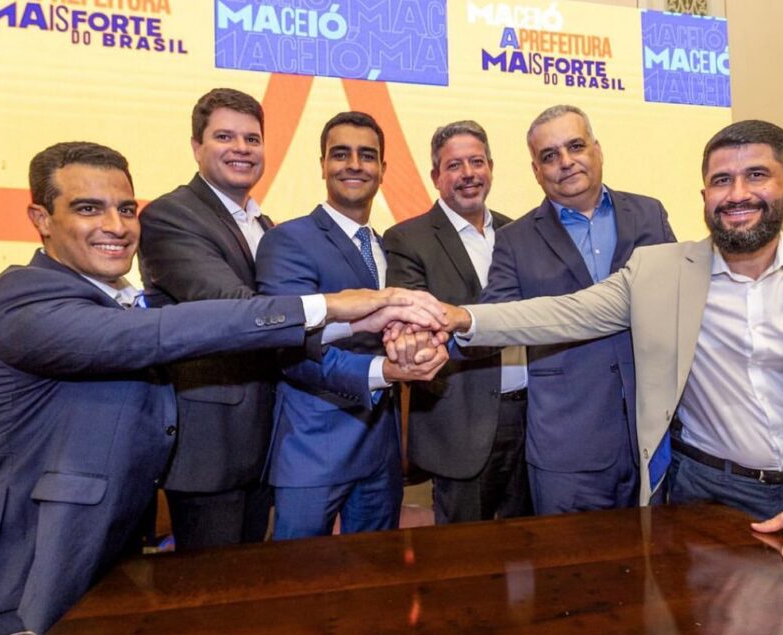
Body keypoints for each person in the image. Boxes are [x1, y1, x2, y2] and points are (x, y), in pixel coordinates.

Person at [0, 141, 446, 635]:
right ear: (41, 218)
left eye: (126, 209)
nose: (116, 226)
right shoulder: (23, 297)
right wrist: (326, 305)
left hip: (113, 559)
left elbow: (206, 338)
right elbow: (165, 333)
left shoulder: (120, 302)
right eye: (88, 208)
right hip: (34, 570)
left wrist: (363, 323)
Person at [398, 120, 783, 569]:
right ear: (704, 194)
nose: (738, 194)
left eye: (757, 176)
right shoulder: (662, 271)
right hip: (700, 489)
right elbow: (564, 312)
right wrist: (458, 316)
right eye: (722, 181)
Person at [473, 104, 675, 515]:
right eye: (550, 155)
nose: (565, 162)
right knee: (571, 557)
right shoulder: (515, 240)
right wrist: (441, 329)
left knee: (657, 554)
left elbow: (687, 289)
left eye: (576, 146)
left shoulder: (649, 214)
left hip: (654, 433)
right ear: (536, 171)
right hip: (568, 447)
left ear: (598, 150)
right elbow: (493, 321)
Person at [255, 112, 449, 540]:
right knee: (300, 576)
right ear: (323, 164)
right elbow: (289, 347)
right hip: (314, 449)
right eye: (341, 154)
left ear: (383, 168)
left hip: (382, 452)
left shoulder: (389, 247)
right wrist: (385, 371)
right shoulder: (288, 240)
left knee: (375, 573)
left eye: (367, 155)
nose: (355, 165)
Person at [138, 88, 277, 551]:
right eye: (224, 136)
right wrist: (337, 310)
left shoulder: (265, 224)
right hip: (211, 447)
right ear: (196, 146)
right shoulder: (170, 216)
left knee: (255, 580)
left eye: (252, 139)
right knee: (207, 584)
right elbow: (233, 306)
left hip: (265, 441)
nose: (241, 148)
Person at [383, 120, 532, 524]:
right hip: (462, 426)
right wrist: (511, 321)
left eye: (477, 162)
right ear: (436, 177)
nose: (468, 173)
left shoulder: (520, 232)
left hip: (533, 418)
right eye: (454, 165)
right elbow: (423, 332)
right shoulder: (407, 239)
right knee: (462, 551)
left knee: (529, 547)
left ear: (491, 168)